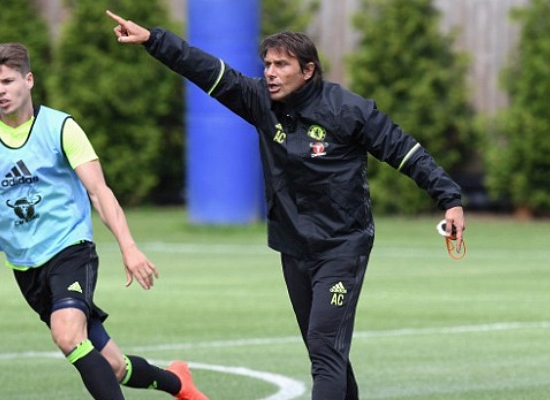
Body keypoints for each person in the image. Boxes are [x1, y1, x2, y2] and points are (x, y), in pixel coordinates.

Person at [105, 10, 466, 400]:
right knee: (326, 350)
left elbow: (405, 151)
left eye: (282, 65)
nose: (271, 72)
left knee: (325, 349)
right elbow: (206, 69)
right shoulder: (260, 101)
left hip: (342, 247)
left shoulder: (347, 110)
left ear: (308, 70)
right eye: (267, 64)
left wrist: (450, 200)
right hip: (293, 246)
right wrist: (154, 40)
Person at [0, 42, 208, 400]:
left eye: (8, 81)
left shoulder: (60, 127)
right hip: (25, 263)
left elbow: (99, 191)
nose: (1, 91)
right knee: (112, 365)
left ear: (29, 80)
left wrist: (128, 247)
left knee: (67, 336)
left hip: (70, 249)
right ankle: (179, 383)